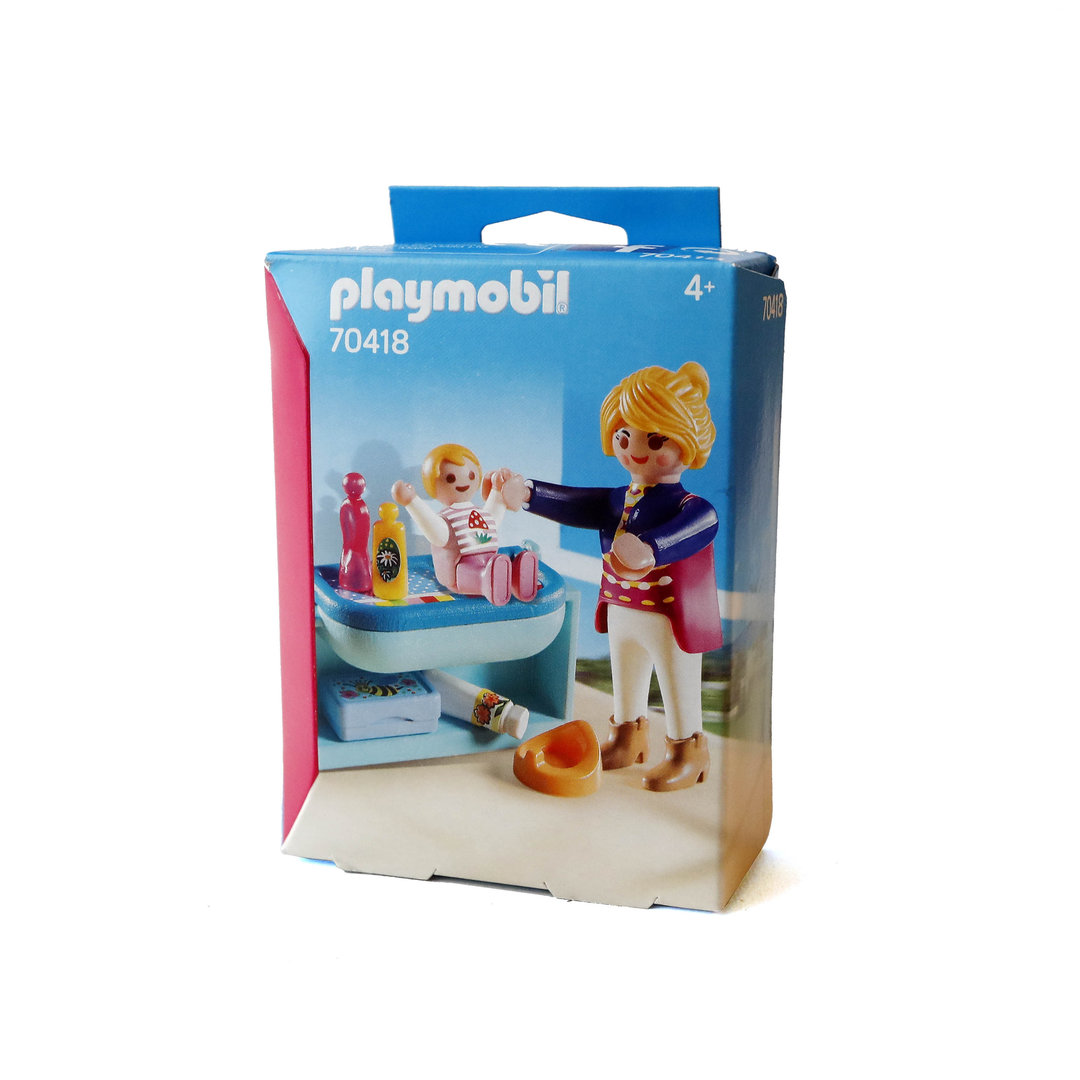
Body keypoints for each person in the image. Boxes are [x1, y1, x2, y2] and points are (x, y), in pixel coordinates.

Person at [495, 363, 721, 791]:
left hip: (669, 616)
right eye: (624, 435)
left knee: (677, 684)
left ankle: (688, 752)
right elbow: (576, 503)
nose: (635, 449)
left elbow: (701, 525)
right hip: (621, 607)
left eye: (655, 440)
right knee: (626, 678)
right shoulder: (618, 499)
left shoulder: (690, 505)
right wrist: (529, 494)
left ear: (688, 440)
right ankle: (628, 739)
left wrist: (651, 548)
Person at [392, 443, 538, 606]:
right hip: (459, 573)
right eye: (450, 478)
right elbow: (434, 531)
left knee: (497, 565)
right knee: (484, 572)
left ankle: (515, 577)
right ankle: (488, 580)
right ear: (432, 484)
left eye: (471, 475)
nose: (463, 482)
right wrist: (412, 501)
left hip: (491, 561)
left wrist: (498, 490)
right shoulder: (447, 520)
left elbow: (493, 518)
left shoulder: (479, 512)